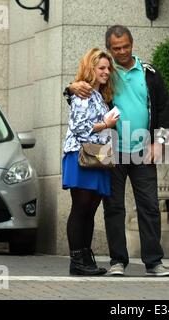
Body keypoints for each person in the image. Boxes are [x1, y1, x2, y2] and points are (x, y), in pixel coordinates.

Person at [65, 25, 169, 277]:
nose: (122, 51)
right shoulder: (105, 72)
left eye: (126, 46)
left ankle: (154, 262)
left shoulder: (150, 74)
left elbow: (165, 111)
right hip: (110, 153)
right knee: (113, 208)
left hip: (143, 150)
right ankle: (118, 261)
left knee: (149, 206)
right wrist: (71, 87)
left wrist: (159, 142)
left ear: (132, 43)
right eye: (116, 48)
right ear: (109, 49)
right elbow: (79, 94)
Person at [62, 48, 119, 276]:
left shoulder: (99, 95)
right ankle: (77, 261)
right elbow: (80, 128)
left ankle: (86, 259)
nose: (106, 72)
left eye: (108, 68)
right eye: (101, 68)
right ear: (91, 69)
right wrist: (106, 124)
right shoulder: (83, 93)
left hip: (99, 155)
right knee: (80, 208)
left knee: (90, 210)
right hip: (81, 155)